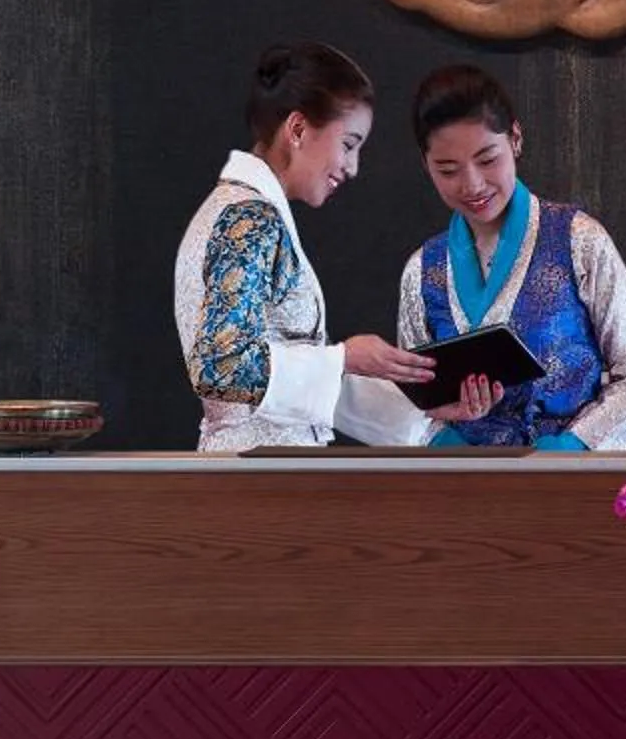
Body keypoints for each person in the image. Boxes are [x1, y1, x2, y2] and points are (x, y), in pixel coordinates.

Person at [175, 43, 437, 452]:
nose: (353, 167)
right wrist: (343, 357)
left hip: (262, 475)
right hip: (260, 484)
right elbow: (221, 369)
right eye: (349, 144)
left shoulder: (241, 210)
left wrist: (430, 417)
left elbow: (290, 392)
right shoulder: (249, 220)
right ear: (297, 129)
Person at [396, 65, 626, 450]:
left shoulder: (579, 241)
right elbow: (411, 399)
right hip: (458, 484)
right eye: (448, 169)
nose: (472, 184)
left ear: (515, 138)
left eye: (487, 160)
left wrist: (569, 449)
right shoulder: (423, 271)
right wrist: (444, 443)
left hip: (565, 481)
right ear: (426, 165)